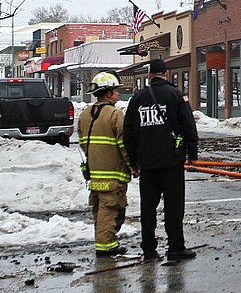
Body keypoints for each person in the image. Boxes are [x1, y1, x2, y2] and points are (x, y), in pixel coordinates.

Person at [124, 58, 199, 261]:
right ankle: (175, 246)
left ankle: (149, 249)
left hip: (147, 162)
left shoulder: (137, 99)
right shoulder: (176, 95)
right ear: (166, 74)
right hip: (171, 161)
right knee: (174, 205)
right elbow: (188, 126)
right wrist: (192, 154)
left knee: (148, 207)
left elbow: (128, 132)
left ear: (149, 75)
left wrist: (133, 161)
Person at [77, 71, 134, 257]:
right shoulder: (115, 115)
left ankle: (104, 241)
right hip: (113, 175)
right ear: (108, 93)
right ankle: (106, 246)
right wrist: (132, 164)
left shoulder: (85, 114)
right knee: (110, 211)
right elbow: (124, 144)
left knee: (99, 211)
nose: (118, 95)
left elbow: (83, 143)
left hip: (95, 174)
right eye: (116, 91)